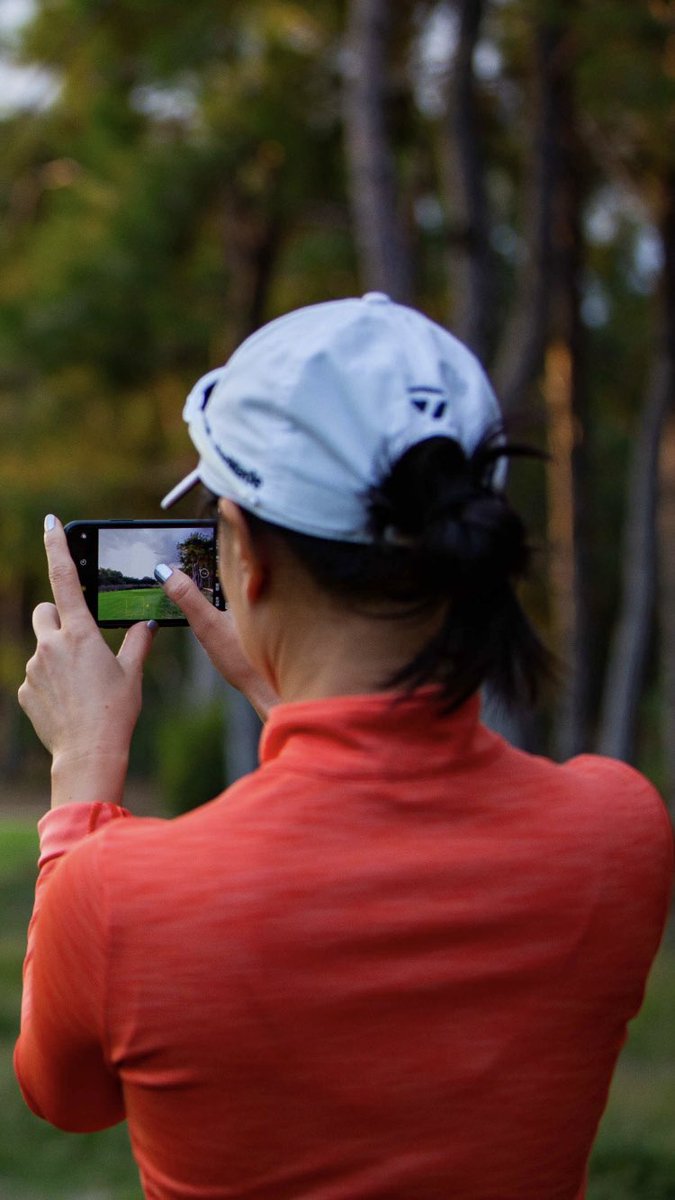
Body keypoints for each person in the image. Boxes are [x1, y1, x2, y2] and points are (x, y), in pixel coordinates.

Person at [15, 292, 673, 1200]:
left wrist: (82, 775)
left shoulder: (121, 893)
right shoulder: (619, 830)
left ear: (244, 556)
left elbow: (63, 1093)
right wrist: (293, 686)